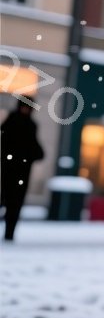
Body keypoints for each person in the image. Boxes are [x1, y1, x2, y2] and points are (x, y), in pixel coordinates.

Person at [1, 99, 45, 242]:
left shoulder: (30, 125)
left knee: (14, 204)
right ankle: (9, 233)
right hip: (8, 171)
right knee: (10, 201)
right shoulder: (12, 122)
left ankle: (9, 233)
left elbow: (36, 149)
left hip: (19, 172)